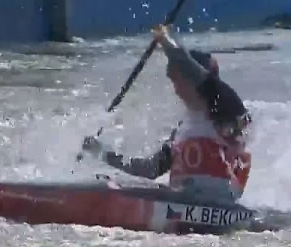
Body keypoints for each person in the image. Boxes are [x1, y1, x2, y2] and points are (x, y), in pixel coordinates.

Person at [79, 24, 253, 204]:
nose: (176, 88)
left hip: (218, 202)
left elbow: (192, 69)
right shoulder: (183, 131)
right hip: (183, 200)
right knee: (108, 181)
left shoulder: (225, 105)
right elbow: (150, 170)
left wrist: (166, 41)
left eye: (180, 80)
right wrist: (101, 152)